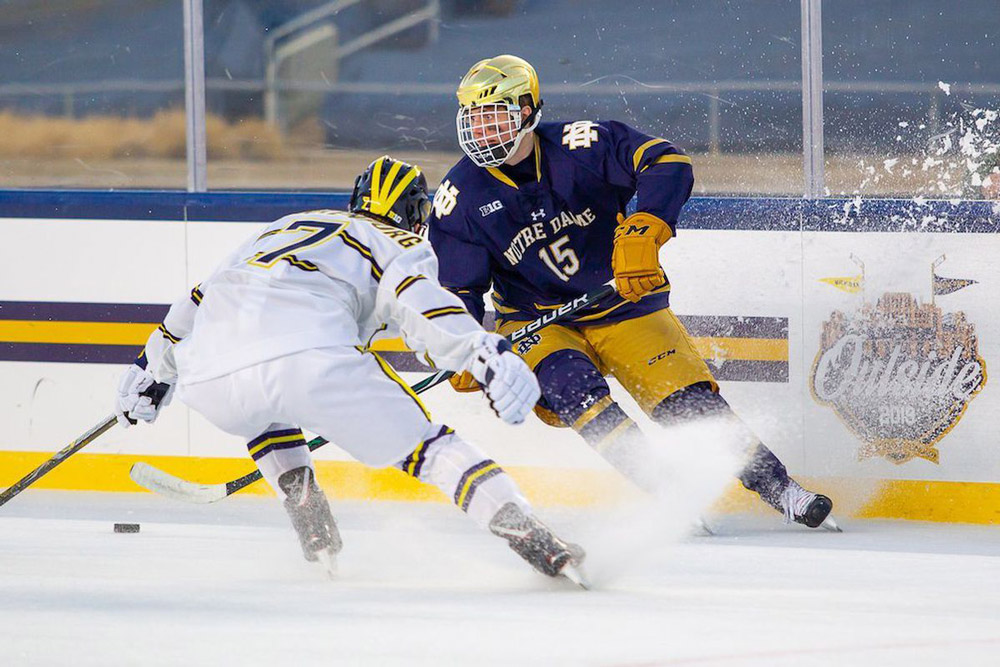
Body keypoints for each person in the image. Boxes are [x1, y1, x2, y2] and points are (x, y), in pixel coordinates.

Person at [113, 156, 586, 584]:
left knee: (265, 405)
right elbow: (422, 307)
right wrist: (480, 352)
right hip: (311, 360)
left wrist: (153, 370)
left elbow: (200, 297)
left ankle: (310, 519)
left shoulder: (287, 225)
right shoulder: (397, 243)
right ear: (416, 213)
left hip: (210, 375)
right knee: (431, 449)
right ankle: (532, 536)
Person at [428, 54, 834, 529]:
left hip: (620, 302)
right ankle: (670, 495)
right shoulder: (457, 199)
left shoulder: (581, 145)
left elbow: (667, 161)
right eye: (474, 119)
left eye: (494, 116)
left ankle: (780, 489)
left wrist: (647, 226)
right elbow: (459, 289)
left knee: (689, 406)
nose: (482, 131)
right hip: (539, 323)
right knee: (579, 395)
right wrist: (461, 344)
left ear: (527, 110)